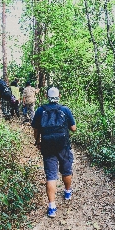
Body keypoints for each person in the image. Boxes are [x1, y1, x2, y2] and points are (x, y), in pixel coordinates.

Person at [31, 87, 76, 218]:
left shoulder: (40, 110)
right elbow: (73, 128)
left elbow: (35, 129)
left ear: (47, 96)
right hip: (63, 146)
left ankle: (52, 207)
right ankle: (67, 192)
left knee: (51, 175)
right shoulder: (65, 110)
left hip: (47, 146)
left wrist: (38, 142)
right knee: (66, 171)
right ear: (59, 96)